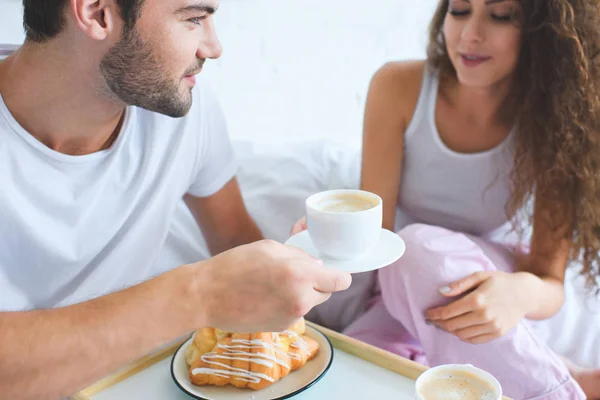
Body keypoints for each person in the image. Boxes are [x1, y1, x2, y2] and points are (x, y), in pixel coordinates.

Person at [0, 1, 352, 399]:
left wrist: (291, 265)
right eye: (194, 19)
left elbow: (236, 239)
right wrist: (196, 294)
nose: (213, 47)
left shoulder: (183, 110)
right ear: (98, 13)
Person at [294, 0, 600, 398]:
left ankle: (559, 391)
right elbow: (376, 234)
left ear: (543, 33)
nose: (470, 33)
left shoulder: (554, 119)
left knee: (419, 249)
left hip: (489, 280)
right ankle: (563, 373)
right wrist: (323, 248)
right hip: (402, 283)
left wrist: (518, 293)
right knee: (357, 369)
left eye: (500, 15)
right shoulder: (398, 87)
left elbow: (550, 284)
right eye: (459, 10)